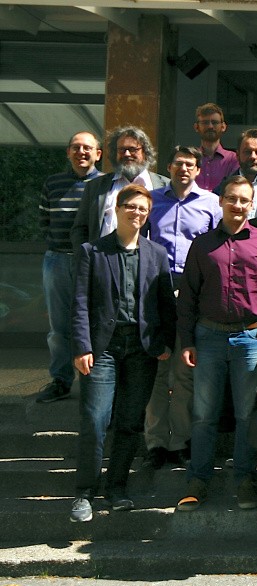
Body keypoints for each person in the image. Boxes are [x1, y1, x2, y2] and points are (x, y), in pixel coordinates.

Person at [69, 184, 176, 522]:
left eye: (143, 208)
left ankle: (116, 488)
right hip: (103, 349)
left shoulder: (157, 254)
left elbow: (165, 305)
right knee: (95, 421)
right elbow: (81, 303)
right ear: (116, 209)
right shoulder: (92, 251)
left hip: (142, 351)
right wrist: (82, 346)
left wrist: (166, 344)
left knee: (130, 424)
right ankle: (84, 493)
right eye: (130, 206)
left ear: (148, 215)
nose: (136, 213)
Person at [176, 176, 257, 511]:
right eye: (232, 199)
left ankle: (245, 479)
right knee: (204, 415)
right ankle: (198, 479)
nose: (238, 206)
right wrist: (187, 340)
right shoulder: (202, 244)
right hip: (207, 337)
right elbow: (188, 297)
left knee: (245, 414)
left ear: (252, 205)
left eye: (244, 200)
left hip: (249, 338)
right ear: (221, 201)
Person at [143, 145, 221, 469]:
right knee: (159, 370)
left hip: (193, 292)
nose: (184, 169)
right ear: (169, 166)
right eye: (178, 163)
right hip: (158, 290)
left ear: (198, 169)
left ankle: (180, 441)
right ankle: (156, 443)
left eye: (190, 164)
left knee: (185, 371)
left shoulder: (211, 204)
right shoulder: (153, 200)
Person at [37, 131, 103, 404]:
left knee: (97, 321)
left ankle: (97, 380)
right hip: (58, 260)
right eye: (76, 147)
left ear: (98, 154)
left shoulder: (105, 183)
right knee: (59, 326)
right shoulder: (53, 183)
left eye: (87, 148)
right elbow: (44, 222)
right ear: (68, 152)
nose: (81, 152)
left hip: (95, 261)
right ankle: (61, 380)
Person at [71, 126, 170, 250]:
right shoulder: (96, 186)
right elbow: (80, 229)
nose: (127, 154)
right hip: (102, 260)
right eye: (122, 150)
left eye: (133, 149)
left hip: (147, 262)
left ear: (145, 152)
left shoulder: (164, 186)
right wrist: (86, 257)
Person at [193, 103, 239, 192]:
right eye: (205, 122)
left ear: (223, 127)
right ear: (196, 127)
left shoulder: (234, 159)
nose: (210, 126)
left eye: (214, 122)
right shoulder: (190, 158)